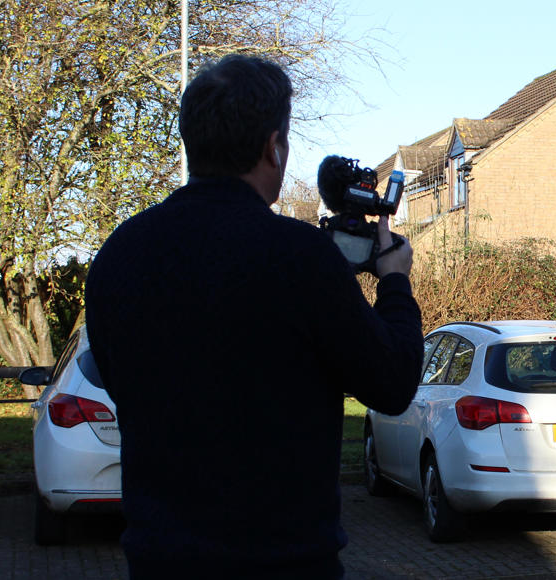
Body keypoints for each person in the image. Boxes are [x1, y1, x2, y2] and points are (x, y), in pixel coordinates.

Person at [84, 54, 423, 578]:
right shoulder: (302, 256)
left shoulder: (117, 257)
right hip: (284, 564)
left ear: (192, 139)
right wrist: (395, 281)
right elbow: (393, 381)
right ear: (273, 147)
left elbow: (117, 379)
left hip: (160, 563)